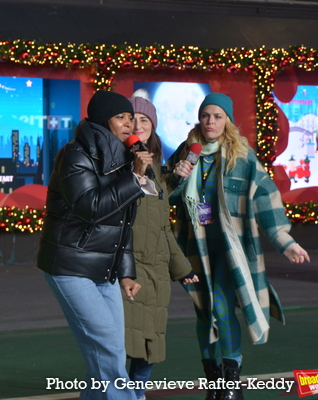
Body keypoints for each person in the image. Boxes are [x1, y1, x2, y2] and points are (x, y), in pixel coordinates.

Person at [165, 93, 310, 400]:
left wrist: (286, 242)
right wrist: (174, 177)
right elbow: (164, 194)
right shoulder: (186, 152)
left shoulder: (242, 156)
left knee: (220, 305)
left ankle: (231, 382)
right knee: (204, 313)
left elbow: (266, 199)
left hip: (232, 251)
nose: (210, 122)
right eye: (206, 116)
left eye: (217, 116)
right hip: (194, 248)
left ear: (227, 120)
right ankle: (214, 382)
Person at [37, 90, 155, 400]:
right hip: (70, 266)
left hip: (105, 270)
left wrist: (126, 272)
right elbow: (90, 207)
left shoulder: (124, 160)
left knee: (105, 352)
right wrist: (134, 178)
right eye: (121, 118)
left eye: (132, 118)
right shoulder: (75, 155)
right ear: (104, 123)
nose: (130, 125)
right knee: (107, 346)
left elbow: (122, 223)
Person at [122, 94, 198, 400]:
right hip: (127, 268)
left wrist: (181, 268)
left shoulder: (156, 169)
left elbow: (162, 226)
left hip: (154, 272)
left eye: (145, 121)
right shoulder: (116, 162)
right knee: (118, 342)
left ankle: (134, 395)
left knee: (149, 344)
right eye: (132, 120)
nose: (138, 126)